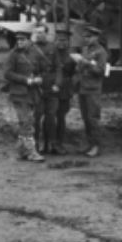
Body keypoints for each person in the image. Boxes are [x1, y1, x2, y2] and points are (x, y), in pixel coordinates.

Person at [3, 26, 48, 162]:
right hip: (18, 93)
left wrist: (39, 77)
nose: (20, 42)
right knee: (26, 121)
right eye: (18, 40)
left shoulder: (36, 52)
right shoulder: (13, 54)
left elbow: (45, 67)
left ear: (29, 40)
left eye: (23, 40)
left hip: (32, 93)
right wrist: (26, 80)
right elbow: (7, 73)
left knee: (26, 121)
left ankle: (21, 151)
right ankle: (31, 152)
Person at [71, 25, 108, 157]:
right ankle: (90, 143)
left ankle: (96, 145)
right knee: (86, 118)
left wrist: (86, 62)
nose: (86, 39)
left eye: (89, 37)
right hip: (83, 87)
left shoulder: (101, 52)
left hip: (93, 88)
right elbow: (80, 67)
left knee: (93, 118)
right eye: (85, 37)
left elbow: (100, 71)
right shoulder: (85, 49)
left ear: (96, 37)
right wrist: (78, 64)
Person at [48, 25, 77, 155]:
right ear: (55, 40)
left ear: (68, 41)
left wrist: (73, 84)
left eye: (64, 40)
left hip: (65, 89)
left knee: (61, 116)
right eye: (59, 40)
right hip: (51, 87)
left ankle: (59, 143)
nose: (61, 43)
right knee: (49, 116)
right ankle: (49, 143)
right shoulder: (50, 53)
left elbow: (76, 73)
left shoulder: (72, 56)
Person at [32, 26, 58, 154]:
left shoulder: (53, 48)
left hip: (51, 86)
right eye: (36, 32)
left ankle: (50, 144)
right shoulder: (31, 48)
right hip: (37, 87)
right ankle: (36, 144)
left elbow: (58, 68)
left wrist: (57, 84)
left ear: (46, 34)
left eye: (41, 32)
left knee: (50, 117)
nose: (38, 35)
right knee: (36, 116)